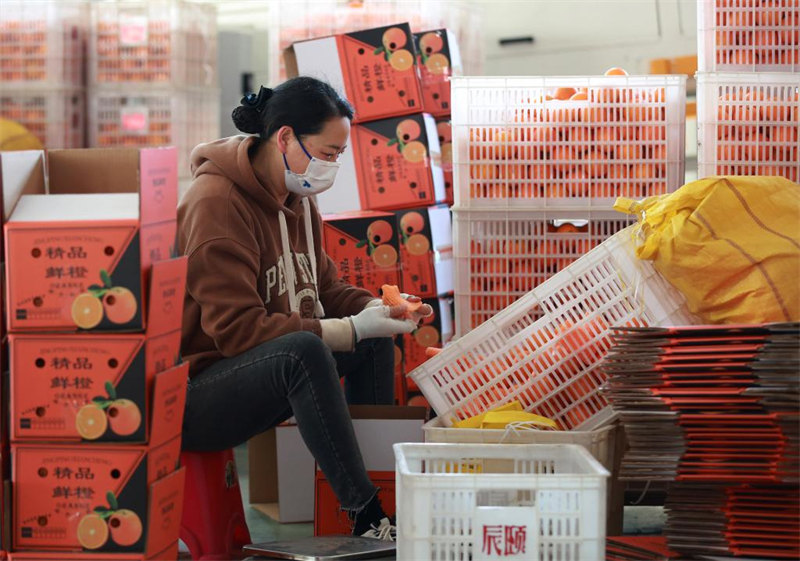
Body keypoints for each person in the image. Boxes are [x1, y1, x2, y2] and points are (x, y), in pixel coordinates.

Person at [178, 77, 432, 540]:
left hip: (261, 370)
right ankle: (364, 515)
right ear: (286, 138)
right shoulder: (216, 203)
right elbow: (236, 331)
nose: (332, 166)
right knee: (305, 351)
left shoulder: (295, 196)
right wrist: (349, 329)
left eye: (339, 155)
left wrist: (378, 310)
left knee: (372, 340)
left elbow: (325, 288)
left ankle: (382, 495)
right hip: (202, 392)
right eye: (328, 153)